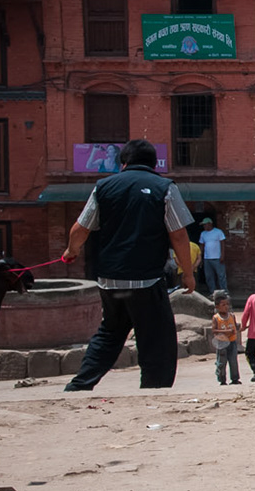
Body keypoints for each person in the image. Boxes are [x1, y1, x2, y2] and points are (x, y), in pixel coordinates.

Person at [59, 139, 196, 391]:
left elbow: (81, 228)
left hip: (110, 280)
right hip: (146, 280)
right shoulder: (164, 187)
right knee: (157, 337)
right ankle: (154, 390)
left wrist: (71, 251)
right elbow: (178, 235)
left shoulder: (103, 187)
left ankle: (79, 385)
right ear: (154, 164)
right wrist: (187, 274)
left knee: (110, 333)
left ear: (123, 163)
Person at [210, 293, 242, 385]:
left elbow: (235, 327)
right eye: (223, 305)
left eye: (227, 304)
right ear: (217, 306)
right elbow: (214, 330)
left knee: (233, 361)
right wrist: (225, 331)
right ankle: (222, 379)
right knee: (221, 362)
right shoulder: (216, 318)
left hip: (232, 342)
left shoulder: (232, 316)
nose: (226, 307)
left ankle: (235, 379)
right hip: (221, 343)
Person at [197, 217, 229, 297]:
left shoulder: (218, 232)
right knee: (209, 276)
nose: (204, 226)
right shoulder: (203, 234)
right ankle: (213, 293)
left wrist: (222, 255)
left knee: (221, 276)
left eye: (205, 224)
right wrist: (200, 257)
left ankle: (224, 293)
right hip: (207, 258)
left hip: (217, 257)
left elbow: (222, 244)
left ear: (210, 224)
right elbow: (202, 245)